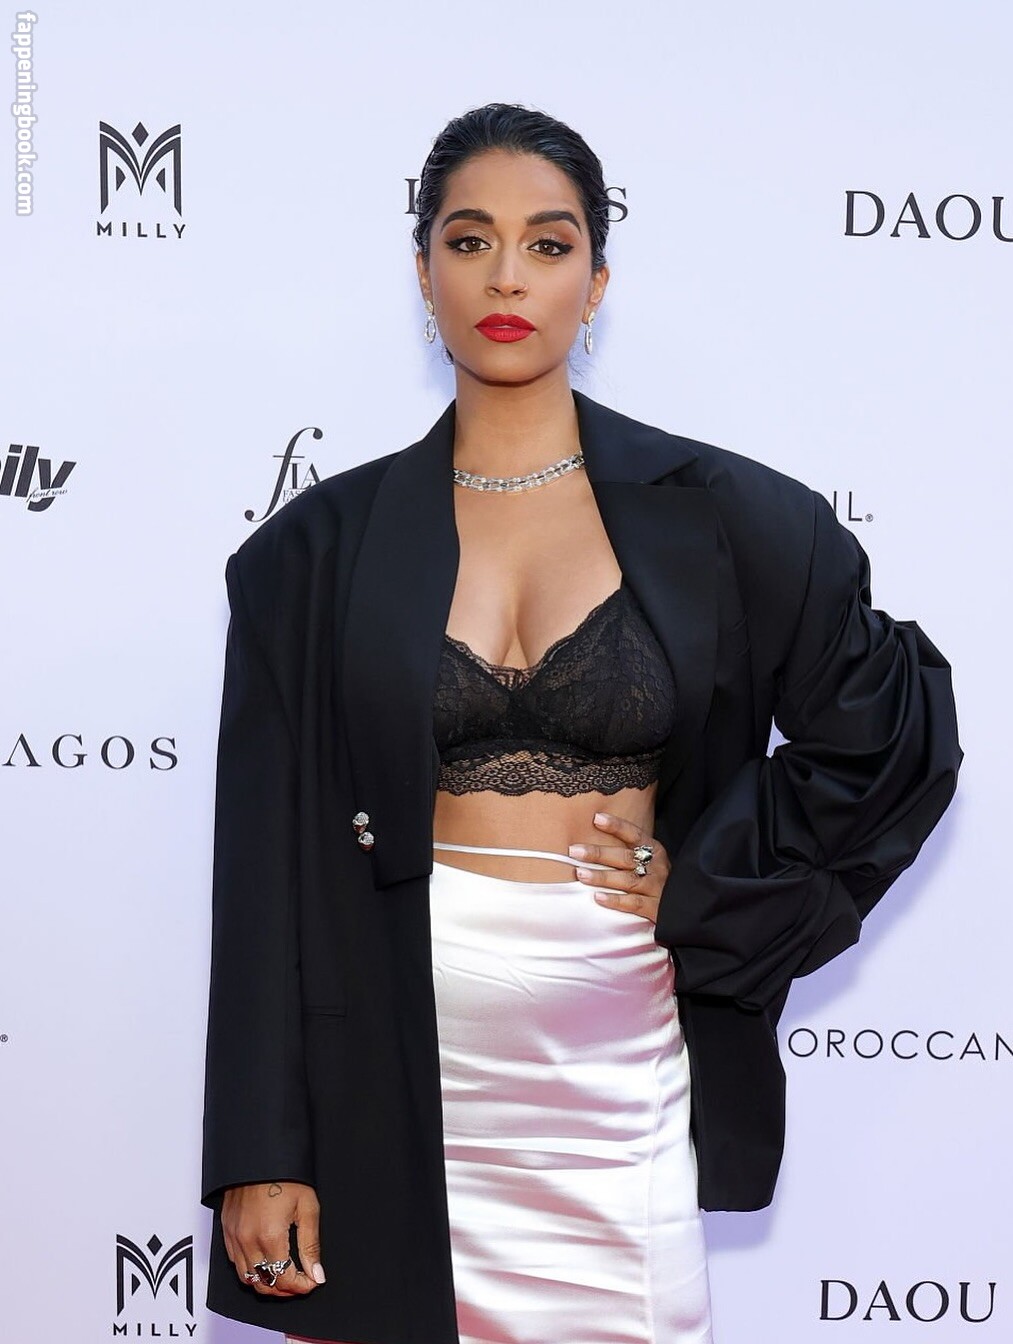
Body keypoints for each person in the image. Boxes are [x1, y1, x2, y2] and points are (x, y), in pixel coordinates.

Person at [200, 103, 962, 1344]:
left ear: (596, 279)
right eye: (469, 240)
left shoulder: (724, 516)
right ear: (421, 271)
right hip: (385, 1068)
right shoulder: (308, 556)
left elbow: (889, 732)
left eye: (547, 245)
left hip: (620, 1066)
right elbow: (262, 873)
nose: (507, 277)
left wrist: (710, 884)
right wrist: (260, 1150)